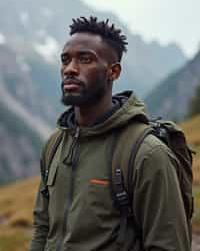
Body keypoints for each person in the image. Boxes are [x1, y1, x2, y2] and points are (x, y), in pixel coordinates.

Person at [29, 16, 190, 251]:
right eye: (65, 60)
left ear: (113, 72)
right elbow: (43, 227)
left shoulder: (146, 154)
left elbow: (168, 244)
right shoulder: (55, 145)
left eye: (85, 59)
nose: (70, 69)